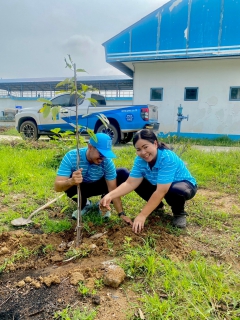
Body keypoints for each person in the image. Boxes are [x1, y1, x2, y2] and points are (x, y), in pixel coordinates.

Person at [100, 129, 197, 233]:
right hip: (159, 185)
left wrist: (142, 215)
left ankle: (179, 213)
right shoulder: (140, 160)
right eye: (138, 149)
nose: (143, 153)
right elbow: (130, 183)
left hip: (183, 185)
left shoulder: (167, 157)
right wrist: (110, 195)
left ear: (155, 143)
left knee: (175, 190)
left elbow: (161, 191)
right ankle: (158, 206)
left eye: (145, 147)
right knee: (136, 180)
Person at [54, 133, 129, 219]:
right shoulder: (72, 156)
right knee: (69, 179)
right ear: (90, 147)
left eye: (105, 155)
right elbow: (57, 187)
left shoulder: (107, 162)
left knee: (122, 173)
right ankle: (84, 204)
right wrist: (71, 181)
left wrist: (121, 214)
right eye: (100, 154)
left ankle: (104, 203)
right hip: (80, 187)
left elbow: (113, 189)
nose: (102, 158)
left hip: (99, 185)